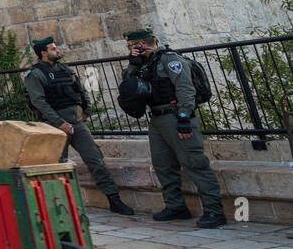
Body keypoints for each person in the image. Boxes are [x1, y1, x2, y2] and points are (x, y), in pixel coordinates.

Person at [121, 27, 226, 228]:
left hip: (175, 116)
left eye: (131, 47)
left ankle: (214, 211)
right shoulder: (144, 63)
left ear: (140, 45)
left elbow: (185, 88)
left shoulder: (170, 59)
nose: (130, 50)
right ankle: (176, 206)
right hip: (157, 119)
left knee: (194, 163)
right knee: (163, 165)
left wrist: (184, 117)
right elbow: (128, 85)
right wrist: (133, 63)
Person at [24, 36, 133, 215]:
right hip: (55, 127)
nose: (57, 50)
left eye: (55, 47)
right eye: (52, 49)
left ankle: (114, 199)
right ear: (43, 53)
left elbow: (80, 91)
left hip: (77, 124)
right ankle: (60, 207)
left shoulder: (66, 70)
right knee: (58, 167)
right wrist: (59, 123)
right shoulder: (35, 75)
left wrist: (87, 111)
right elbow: (39, 102)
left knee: (96, 160)